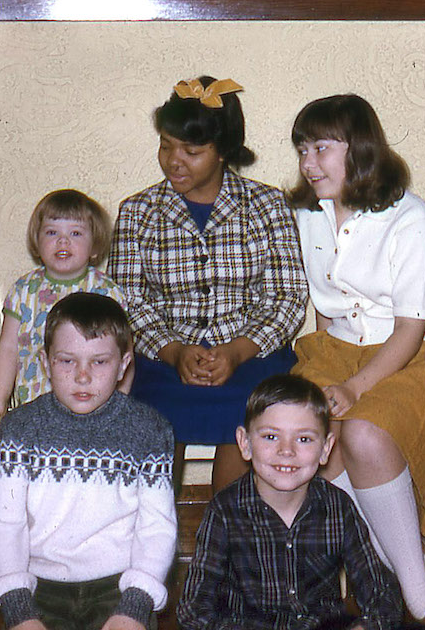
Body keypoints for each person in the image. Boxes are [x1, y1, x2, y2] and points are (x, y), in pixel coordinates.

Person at [288, 94, 425, 630]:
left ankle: (417, 598)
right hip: (339, 350)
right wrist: (326, 373)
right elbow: (326, 313)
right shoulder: (308, 215)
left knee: (364, 435)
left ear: (361, 149)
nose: (308, 163)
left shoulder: (409, 218)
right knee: (310, 439)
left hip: (409, 353)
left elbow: (412, 328)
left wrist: (353, 389)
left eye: (322, 148)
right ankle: (417, 570)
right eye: (303, 149)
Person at [109, 76, 308, 494]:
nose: (173, 160)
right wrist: (173, 350)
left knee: (255, 412)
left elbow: (287, 297)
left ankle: (227, 534)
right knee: (149, 416)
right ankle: (152, 539)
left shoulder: (267, 206)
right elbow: (127, 300)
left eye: (191, 151)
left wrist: (238, 350)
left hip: (252, 357)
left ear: (222, 153)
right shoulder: (138, 212)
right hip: (163, 361)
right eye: (166, 145)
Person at [0, 292, 177, 630]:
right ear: (46, 363)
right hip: (40, 588)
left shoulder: (150, 430)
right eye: (67, 361)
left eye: (99, 362)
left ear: (123, 364)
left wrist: (135, 605)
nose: (83, 376)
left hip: (119, 587)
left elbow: (157, 527)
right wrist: (18, 609)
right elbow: (6, 523)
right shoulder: (19, 429)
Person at [178, 373, 405, 630]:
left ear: (326, 449)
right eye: (271, 437)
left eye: (304, 439)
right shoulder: (225, 510)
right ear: (245, 443)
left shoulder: (338, 507)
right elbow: (193, 611)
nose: (287, 451)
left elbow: (382, 592)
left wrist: (366, 626)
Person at [0, 189, 127, 438]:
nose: (63, 242)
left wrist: (121, 405)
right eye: (52, 233)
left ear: (94, 245)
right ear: (37, 241)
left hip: (94, 411)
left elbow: (124, 354)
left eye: (75, 233)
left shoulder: (108, 292)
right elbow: (8, 349)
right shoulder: (23, 290)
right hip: (35, 408)